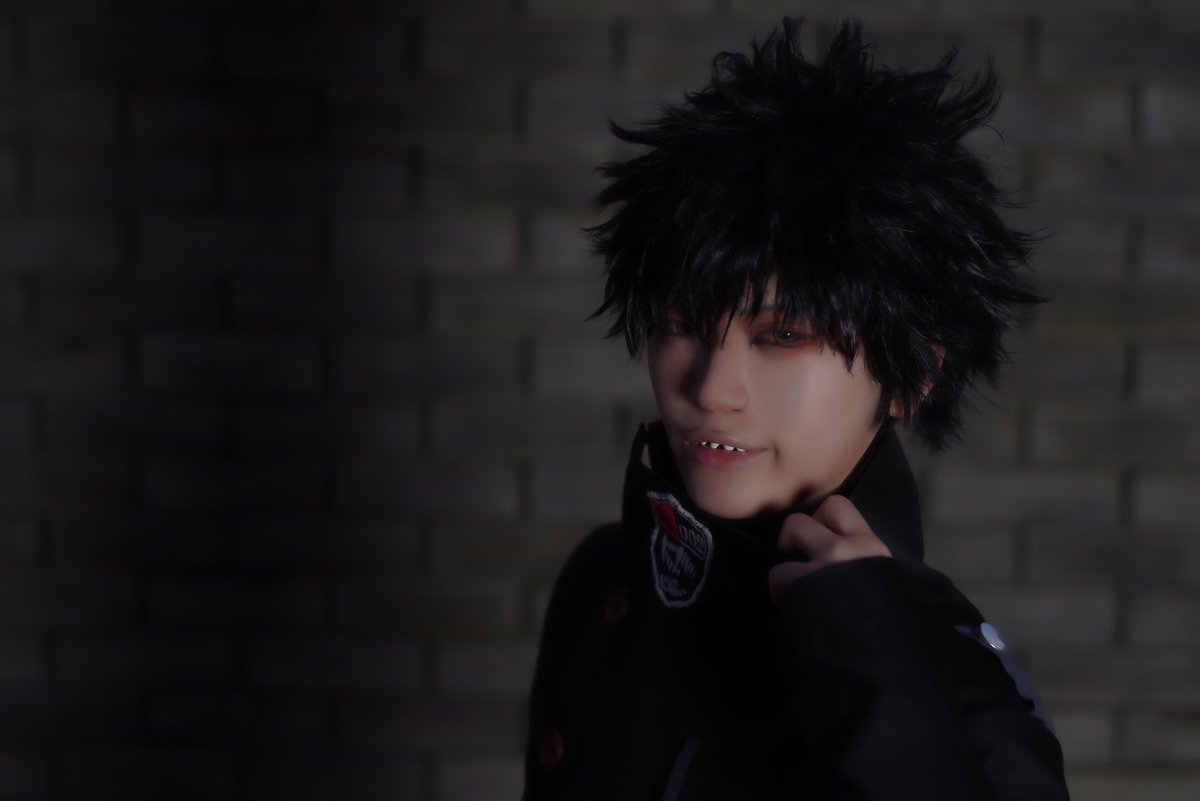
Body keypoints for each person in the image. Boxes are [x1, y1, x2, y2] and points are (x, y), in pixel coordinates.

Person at [523, 18, 1070, 801]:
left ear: (915, 370)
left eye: (782, 335)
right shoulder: (605, 579)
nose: (711, 388)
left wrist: (878, 677)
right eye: (681, 322)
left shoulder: (965, 693)